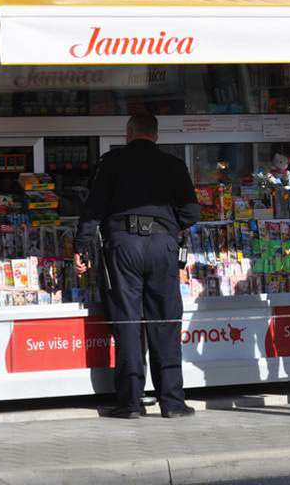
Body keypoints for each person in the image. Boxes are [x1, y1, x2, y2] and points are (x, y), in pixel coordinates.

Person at [74, 114, 201, 419]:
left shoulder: (112, 163)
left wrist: (82, 246)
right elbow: (192, 212)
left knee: (128, 323)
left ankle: (130, 402)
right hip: (162, 246)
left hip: (124, 245)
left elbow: (94, 209)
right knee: (165, 322)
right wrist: (169, 226)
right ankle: (172, 402)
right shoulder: (173, 165)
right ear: (156, 135)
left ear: (129, 133)